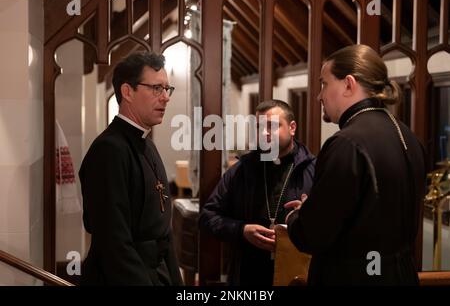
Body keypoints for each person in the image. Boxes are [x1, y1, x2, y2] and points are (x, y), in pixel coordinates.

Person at [286, 44, 426, 285]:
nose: (319, 95)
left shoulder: (346, 143)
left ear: (349, 84)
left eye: (324, 84)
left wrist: (298, 216)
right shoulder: (407, 136)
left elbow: (313, 235)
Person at [79, 51, 183, 285]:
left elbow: (164, 232)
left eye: (167, 89)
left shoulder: (148, 146)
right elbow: (113, 243)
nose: (165, 97)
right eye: (156, 88)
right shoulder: (109, 150)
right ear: (127, 92)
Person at [199, 100, 316, 285]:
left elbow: (331, 224)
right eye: (259, 127)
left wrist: (308, 213)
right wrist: (242, 230)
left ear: (292, 128)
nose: (264, 133)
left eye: (272, 126)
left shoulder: (314, 170)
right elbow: (208, 217)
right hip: (248, 275)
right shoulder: (241, 171)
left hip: (297, 276)